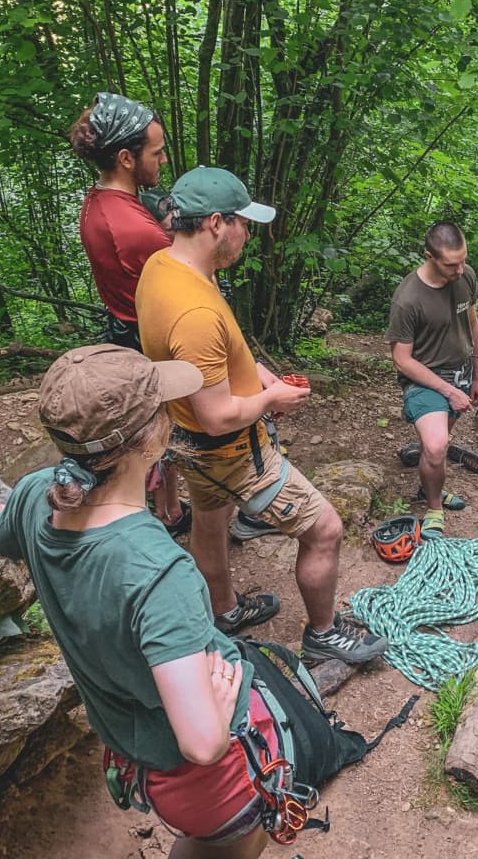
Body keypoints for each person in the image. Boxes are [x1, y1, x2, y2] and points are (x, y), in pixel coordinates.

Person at [0, 344, 272, 857]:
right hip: (198, 772)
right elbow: (201, 744)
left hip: (130, 745)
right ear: (153, 438)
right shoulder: (159, 570)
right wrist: (215, 717)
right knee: (239, 837)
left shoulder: (37, 494)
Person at [135, 166, 387, 663]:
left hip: (186, 443)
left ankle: (224, 610)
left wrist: (260, 373)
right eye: (243, 223)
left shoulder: (163, 268)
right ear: (214, 223)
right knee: (326, 530)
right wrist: (272, 401)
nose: (248, 234)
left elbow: (212, 357)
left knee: (209, 517)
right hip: (231, 450)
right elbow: (219, 415)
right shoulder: (194, 313)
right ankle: (324, 634)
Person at [68, 92, 187, 535]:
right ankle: (171, 514)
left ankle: (170, 508)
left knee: (154, 429)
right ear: (125, 157)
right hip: (147, 336)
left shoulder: (100, 201)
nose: (163, 160)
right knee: (166, 430)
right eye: (155, 152)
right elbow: (187, 284)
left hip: (125, 326)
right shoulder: (134, 230)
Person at [386, 222, 478, 539]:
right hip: (425, 379)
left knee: (438, 449)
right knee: (436, 444)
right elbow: (402, 359)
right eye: (451, 264)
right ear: (429, 256)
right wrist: (447, 390)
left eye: (463, 260)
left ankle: (426, 485)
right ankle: (433, 509)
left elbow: (472, 323)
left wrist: (477, 375)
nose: (459, 270)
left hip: (461, 372)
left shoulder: (465, 276)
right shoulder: (408, 299)